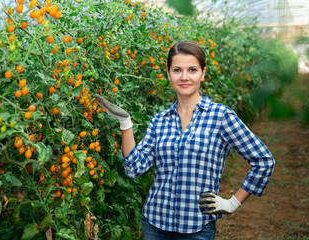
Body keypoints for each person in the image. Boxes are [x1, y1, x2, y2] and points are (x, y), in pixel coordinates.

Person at [94, 41, 275, 240]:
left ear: (203, 73)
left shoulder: (221, 116)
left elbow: (263, 161)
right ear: (169, 74)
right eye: (177, 70)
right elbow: (133, 168)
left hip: (197, 227)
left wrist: (232, 203)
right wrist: (125, 123)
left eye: (192, 70)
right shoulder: (160, 120)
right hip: (154, 225)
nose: (184, 77)